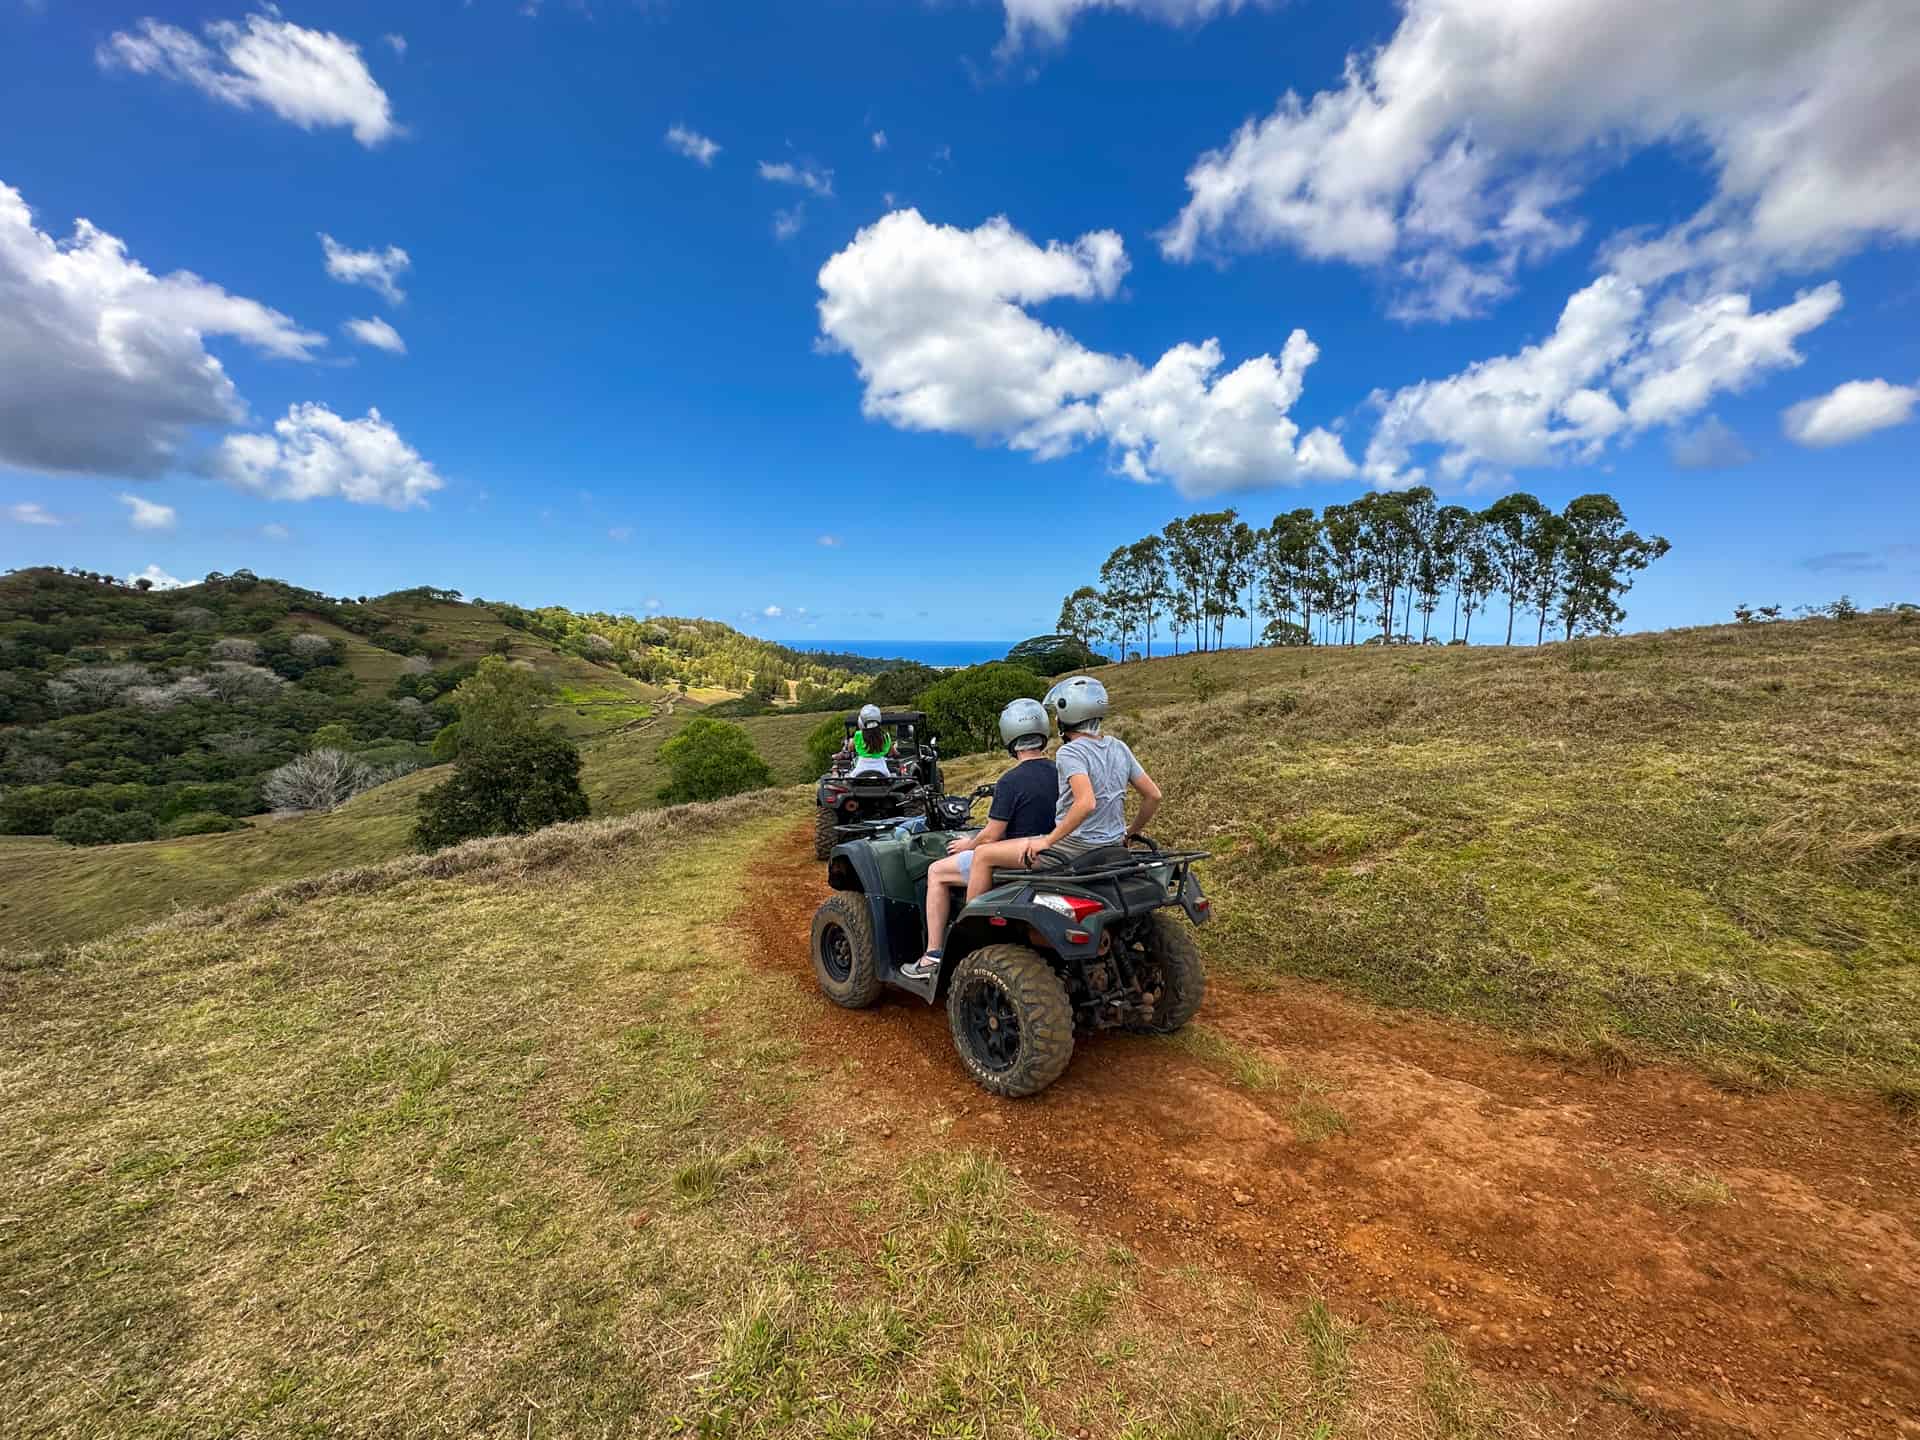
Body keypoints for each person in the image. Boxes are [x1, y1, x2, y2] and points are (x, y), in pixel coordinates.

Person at [961, 674, 1159, 904]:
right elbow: (1153, 795)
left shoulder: (1070, 752)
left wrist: (1047, 841)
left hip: (1074, 848)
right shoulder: (1119, 747)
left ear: (1067, 713)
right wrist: (1130, 832)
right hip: (1113, 845)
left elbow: (1086, 803)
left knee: (983, 855)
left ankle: (972, 924)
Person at [902, 697, 1056, 979]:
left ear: (1010, 736)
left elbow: (992, 834)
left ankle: (933, 954)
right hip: (1051, 853)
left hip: (1011, 860)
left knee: (936, 871)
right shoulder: (1061, 771)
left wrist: (967, 844)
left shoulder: (1010, 781)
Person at [847, 702, 894, 777]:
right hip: (882, 770)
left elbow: (850, 748)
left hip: (860, 769)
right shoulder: (886, 736)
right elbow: (892, 752)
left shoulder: (858, 734)